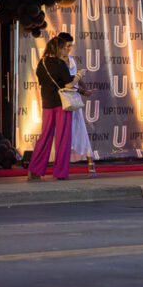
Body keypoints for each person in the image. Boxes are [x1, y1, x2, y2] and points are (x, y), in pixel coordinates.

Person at [28, 35, 79, 181]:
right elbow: (69, 84)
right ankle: (60, 173)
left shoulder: (41, 63)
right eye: (63, 47)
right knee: (63, 138)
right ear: (58, 48)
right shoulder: (60, 63)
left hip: (47, 104)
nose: (65, 50)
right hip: (62, 104)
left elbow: (42, 83)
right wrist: (79, 76)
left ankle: (35, 170)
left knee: (45, 137)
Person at [58, 32, 95, 177]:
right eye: (66, 46)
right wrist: (80, 89)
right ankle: (61, 164)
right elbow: (64, 83)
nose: (69, 49)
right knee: (64, 133)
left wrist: (86, 89)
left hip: (74, 100)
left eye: (70, 46)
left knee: (80, 129)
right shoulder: (56, 61)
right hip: (62, 99)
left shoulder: (71, 59)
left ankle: (90, 161)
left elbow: (76, 77)